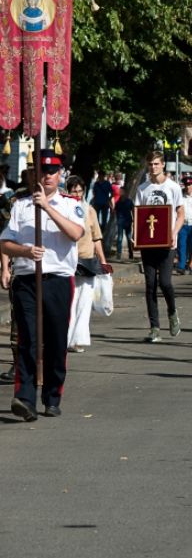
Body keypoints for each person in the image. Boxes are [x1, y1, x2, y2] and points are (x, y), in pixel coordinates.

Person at [1, 150, 84, 421]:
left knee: (56, 340)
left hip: (57, 280)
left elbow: (75, 234)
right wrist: (24, 252)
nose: (47, 176)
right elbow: (4, 243)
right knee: (28, 339)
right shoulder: (21, 206)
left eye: (52, 172)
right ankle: (24, 398)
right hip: (27, 280)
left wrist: (47, 208)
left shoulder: (71, 205)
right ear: (34, 173)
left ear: (60, 175)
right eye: (42, 171)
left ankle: (51, 397)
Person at [135, 151, 185, 343]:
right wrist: (136, 236)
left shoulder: (173, 187)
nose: (153, 168)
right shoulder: (142, 188)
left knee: (165, 282)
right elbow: (139, 214)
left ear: (163, 165)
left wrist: (173, 233)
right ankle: (154, 327)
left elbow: (180, 214)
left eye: (156, 164)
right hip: (148, 243)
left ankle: (172, 313)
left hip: (167, 242)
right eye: (150, 164)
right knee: (150, 285)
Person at [65, 176, 109, 354]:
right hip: (67, 261)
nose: (76, 194)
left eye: (79, 190)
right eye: (73, 190)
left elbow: (96, 237)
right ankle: (65, 339)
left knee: (84, 303)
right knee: (69, 302)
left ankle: (78, 340)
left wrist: (103, 260)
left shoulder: (89, 210)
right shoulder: (62, 209)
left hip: (88, 260)